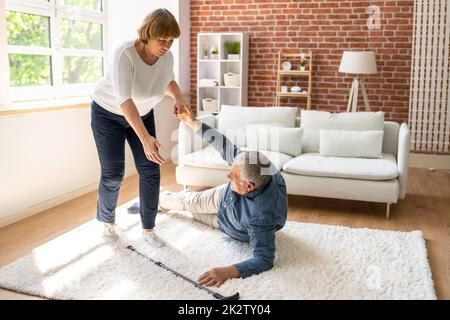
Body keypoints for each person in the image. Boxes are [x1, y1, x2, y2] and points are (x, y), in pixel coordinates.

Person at [160, 105, 288, 287]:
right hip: (223, 197)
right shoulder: (251, 163)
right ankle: (156, 200)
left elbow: (264, 259)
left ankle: (175, 202)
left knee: (194, 216)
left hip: (229, 225)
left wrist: (227, 271)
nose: (228, 176)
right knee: (186, 202)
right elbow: (222, 143)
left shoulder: (262, 216)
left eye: (233, 176)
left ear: (249, 186)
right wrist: (191, 121)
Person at [90, 9, 188, 247]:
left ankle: (149, 229)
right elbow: (125, 100)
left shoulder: (166, 57)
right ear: (147, 34)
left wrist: (179, 98)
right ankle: (107, 222)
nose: (166, 45)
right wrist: (145, 139)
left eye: (170, 41)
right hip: (108, 113)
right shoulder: (125, 53)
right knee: (113, 174)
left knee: (151, 171)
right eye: (161, 40)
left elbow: (168, 81)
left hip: (142, 114)